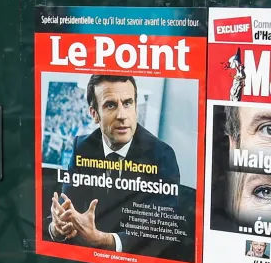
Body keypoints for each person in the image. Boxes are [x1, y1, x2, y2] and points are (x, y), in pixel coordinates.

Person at [48, 74, 181, 252]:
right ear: (94, 114)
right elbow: (67, 211)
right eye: (110, 105)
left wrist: (105, 240)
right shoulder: (82, 147)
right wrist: (57, 229)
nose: (122, 115)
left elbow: (158, 228)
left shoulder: (161, 155)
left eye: (127, 103)